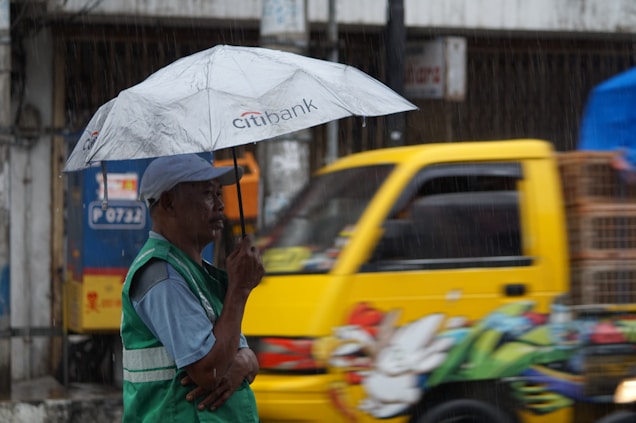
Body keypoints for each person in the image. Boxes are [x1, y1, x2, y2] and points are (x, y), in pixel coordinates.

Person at [120, 153, 264, 422]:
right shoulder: (161, 275)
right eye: (208, 194)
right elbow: (209, 372)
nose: (220, 205)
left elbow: (245, 357)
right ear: (169, 202)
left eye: (219, 194)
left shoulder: (196, 272)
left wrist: (245, 360)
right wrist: (239, 291)